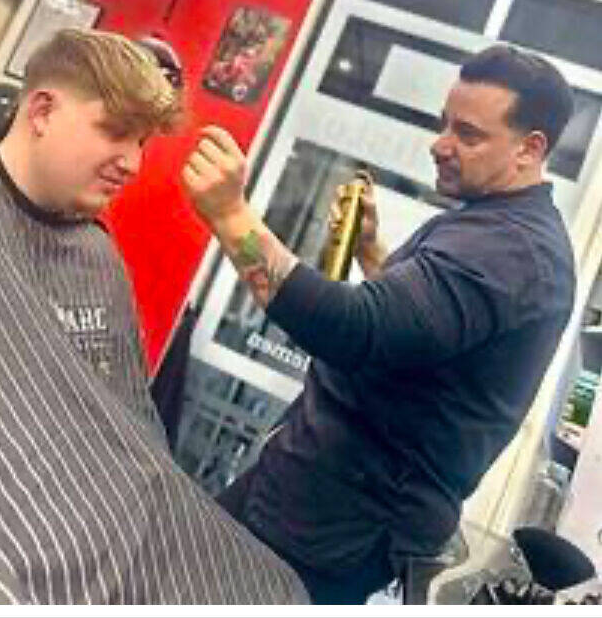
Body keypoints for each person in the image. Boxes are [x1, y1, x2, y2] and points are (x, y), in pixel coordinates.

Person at [181, 44, 576, 604]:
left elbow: (356, 330)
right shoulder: (491, 225)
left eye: (467, 134)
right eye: (444, 123)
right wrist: (371, 253)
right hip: (308, 491)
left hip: (332, 529)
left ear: (530, 148)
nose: (440, 144)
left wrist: (230, 216)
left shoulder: (515, 251)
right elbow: (421, 331)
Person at [0, 28, 308, 606]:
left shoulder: (95, 255)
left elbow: (133, 424)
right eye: (115, 131)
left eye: (143, 142)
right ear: (42, 110)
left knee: (273, 590)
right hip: (10, 536)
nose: (132, 163)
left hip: (116, 518)